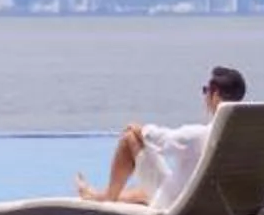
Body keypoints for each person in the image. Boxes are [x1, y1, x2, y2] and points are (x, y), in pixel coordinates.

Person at [77, 65, 247, 207]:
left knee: (130, 138)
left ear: (215, 95)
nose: (205, 97)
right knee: (144, 192)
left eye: (206, 91)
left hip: (183, 207)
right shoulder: (247, 134)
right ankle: (96, 195)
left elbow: (164, 142)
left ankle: (107, 199)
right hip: (223, 206)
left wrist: (140, 129)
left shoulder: (199, 135)